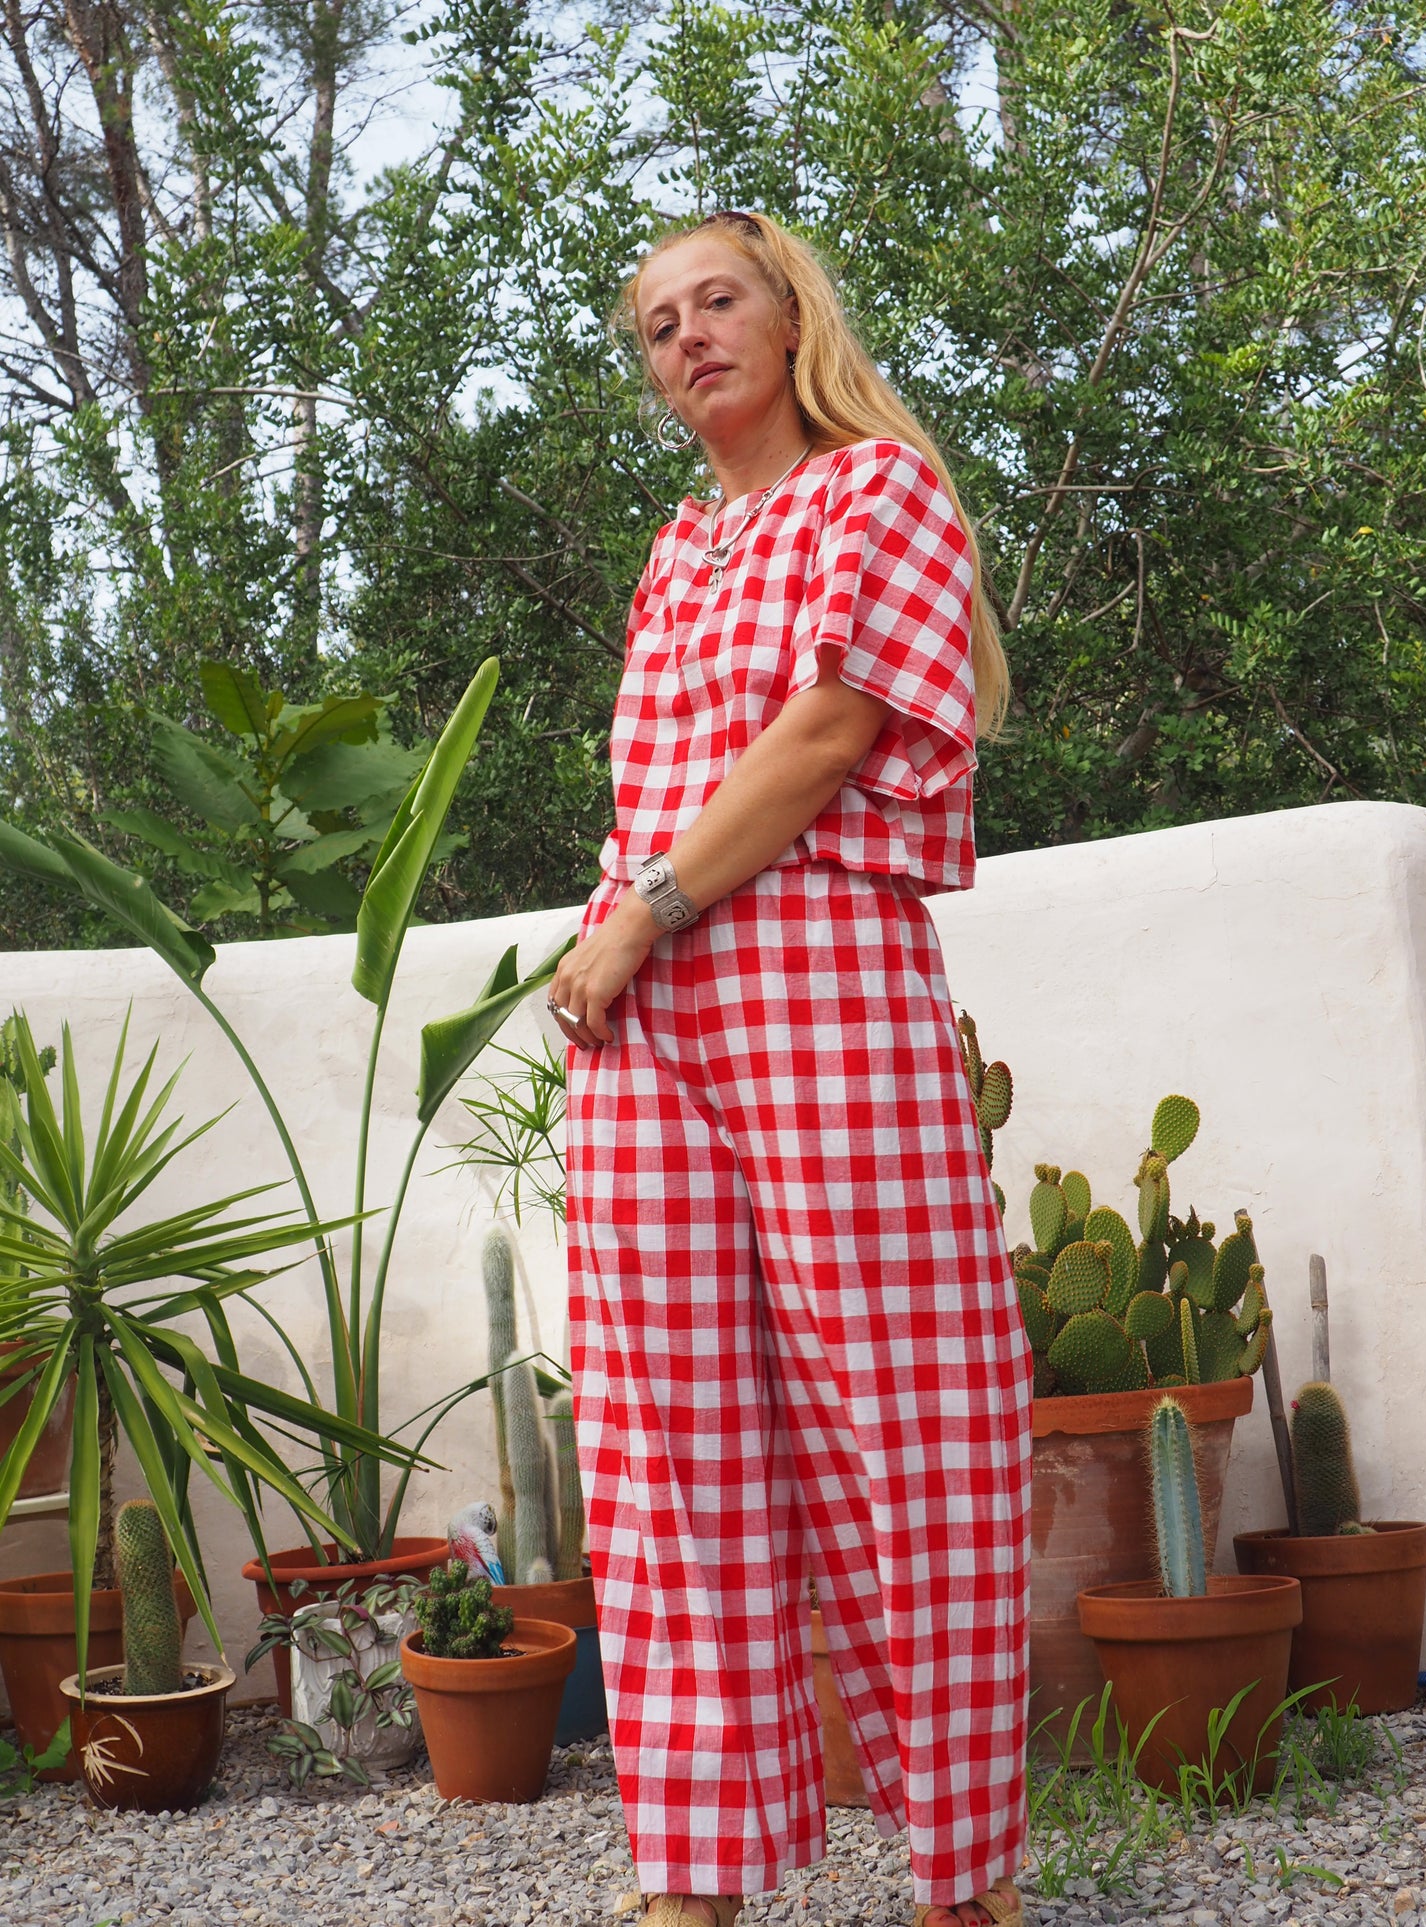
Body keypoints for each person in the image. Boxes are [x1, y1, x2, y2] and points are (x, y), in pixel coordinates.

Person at [546, 211, 1031, 1927]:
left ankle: (959, 1878)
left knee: (902, 1427)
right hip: (646, 997)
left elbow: (830, 732)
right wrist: (611, 933)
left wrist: (646, 910)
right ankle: (698, 1872)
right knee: (661, 1444)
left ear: (787, 312)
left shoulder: (877, 490)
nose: (687, 337)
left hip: (814, 978)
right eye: (657, 323)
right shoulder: (676, 551)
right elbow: (650, 789)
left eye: (716, 300)